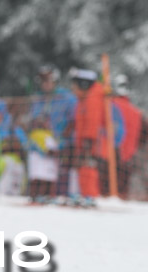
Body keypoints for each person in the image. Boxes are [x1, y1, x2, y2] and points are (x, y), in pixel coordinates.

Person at [69, 68, 124, 206]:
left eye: (75, 85)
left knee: (88, 166)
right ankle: (85, 194)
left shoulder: (93, 98)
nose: (73, 89)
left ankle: (90, 196)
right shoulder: (86, 98)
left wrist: (88, 141)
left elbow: (92, 122)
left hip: (93, 141)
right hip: (87, 140)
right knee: (84, 167)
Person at [29, 64, 77, 198]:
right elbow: (32, 121)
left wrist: (63, 141)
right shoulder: (37, 99)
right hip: (41, 146)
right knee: (38, 176)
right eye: (42, 80)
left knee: (60, 178)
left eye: (48, 80)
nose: (45, 84)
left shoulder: (67, 98)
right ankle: (37, 198)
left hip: (62, 144)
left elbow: (74, 120)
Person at [111, 74, 143, 197]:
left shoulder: (111, 106)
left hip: (110, 155)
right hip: (128, 157)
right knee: (122, 193)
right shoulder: (136, 112)